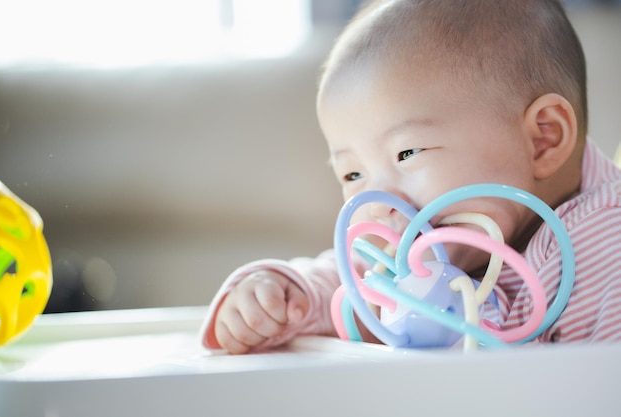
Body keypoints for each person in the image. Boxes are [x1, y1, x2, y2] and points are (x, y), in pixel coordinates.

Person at [200, 0, 621, 354]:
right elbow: (348, 288)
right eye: (353, 172)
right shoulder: (412, 246)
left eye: (407, 152)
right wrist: (283, 296)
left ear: (542, 140)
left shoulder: (603, 245)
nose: (378, 200)